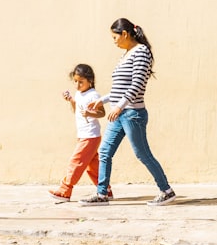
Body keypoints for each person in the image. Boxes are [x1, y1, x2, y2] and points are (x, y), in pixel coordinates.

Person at [81, 18, 176, 206]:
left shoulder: (141, 52)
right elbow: (120, 87)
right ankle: (102, 194)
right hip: (120, 113)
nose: (113, 41)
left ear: (125, 34)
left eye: (114, 37)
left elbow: (137, 84)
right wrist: (103, 99)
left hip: (132, 114)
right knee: (105, 152)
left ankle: (166, 191)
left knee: (142, 153)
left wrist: (119, 106)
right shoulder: (126, 54)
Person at [49, 64, 112, 202]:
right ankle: (106, 189)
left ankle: (65, 190)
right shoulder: (79, 94)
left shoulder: (93, 95)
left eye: (81, 82)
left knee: (76, 162)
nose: (77, 85)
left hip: (90, 136)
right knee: (92, 166)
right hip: (83, 135)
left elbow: (102, 113)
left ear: (90, 81)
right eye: (75, 81)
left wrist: (90, 112)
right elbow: (76, 109)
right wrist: (71, 100)